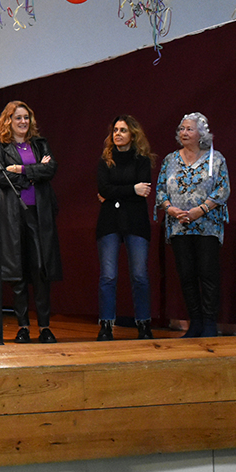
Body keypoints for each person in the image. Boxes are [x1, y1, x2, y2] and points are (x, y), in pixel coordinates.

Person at [0, 100, 62, 344]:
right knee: (18, 273)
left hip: (40, 214)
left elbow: (50, 170)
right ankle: (23, 327)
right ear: (8, 121)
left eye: (26, 117)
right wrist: (34, 172)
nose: (23, 121)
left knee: (41, 270)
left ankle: (44, 327)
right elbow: (1, 178)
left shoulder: (40, 144)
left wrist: (21, 170)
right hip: (13, 216)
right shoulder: (1, 147)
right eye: (18, 117)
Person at [156, 112, 230, 338]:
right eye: (182, 129)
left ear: (202, 133)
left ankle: (209, 324)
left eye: (189, 128)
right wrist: (170, 209)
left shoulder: (215, 158)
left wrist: (201, 209)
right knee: (186, 275)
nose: (184, 132)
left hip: (207, 225)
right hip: (179, 226)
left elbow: (223, 189)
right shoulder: (170, 159)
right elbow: (160, 190)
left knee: (207, 274)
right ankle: (195, 322)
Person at [96, 115, 156, 341]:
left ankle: (144, 324)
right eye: (115, 130)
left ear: (133, 134)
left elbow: (144, 189)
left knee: (139, 275)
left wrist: (114, 192)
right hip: (109, 222)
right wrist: (132, 189)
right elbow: (103, 188)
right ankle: (106, 325)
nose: (118, 134)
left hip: (135, 222)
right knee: (108, 276)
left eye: (123, 130)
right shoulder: (105, 160)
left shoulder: (142, 160)